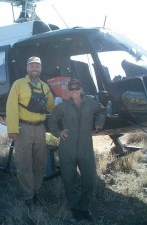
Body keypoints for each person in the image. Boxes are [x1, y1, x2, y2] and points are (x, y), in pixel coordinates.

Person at [48, 79, 105, 222]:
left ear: (81, 89)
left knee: (90, 178)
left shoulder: (91, 103)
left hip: (86, 147)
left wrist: (99, 122)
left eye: (76, 88)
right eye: (71, 89)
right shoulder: (63, 106)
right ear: (68, 90)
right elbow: (52, 120)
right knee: (69, 179)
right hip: (67, 148)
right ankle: (74, 208)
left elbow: (102, 111)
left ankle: (85, 207)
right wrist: (58, 132)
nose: (74, 91)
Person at [6, 56, 55, 207]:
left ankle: (36, 191)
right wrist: (13, 130)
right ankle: (28, 196)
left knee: (40, 163)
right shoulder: (18, 84)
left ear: (40, 69)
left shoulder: (45, 87)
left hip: (40, 129)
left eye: (37, 66)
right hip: (23, 129)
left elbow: (52, 107)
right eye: (32, 66)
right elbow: (11, 107)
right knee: (24, 163)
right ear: (27, 68)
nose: (35, 68)